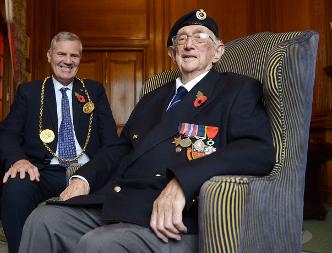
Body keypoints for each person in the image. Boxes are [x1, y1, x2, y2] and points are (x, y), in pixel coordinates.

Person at [19, 10, 276, 253]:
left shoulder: (236, 90)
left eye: (200, 37)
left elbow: (257, 150)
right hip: (121, 199)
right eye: (182, 39)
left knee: (100, 244)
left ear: (217, 51)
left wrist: (183, 182)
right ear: (171, 53)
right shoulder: (153, 97)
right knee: (42, 219)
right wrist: (82, 179)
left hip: (173, 215)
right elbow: (120, 148)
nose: (189, 44)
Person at [0, 32, 119, 253]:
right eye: (61, 53)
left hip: (87, 171)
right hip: (42, 170)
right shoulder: (29, 92)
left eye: (74, 55)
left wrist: (90, 174)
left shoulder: (94, 91)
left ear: (80, 59)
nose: (68, 60)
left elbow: (112, 143)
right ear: (49, 56)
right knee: (15, 188)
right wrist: (19, 160)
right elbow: (9, 135)